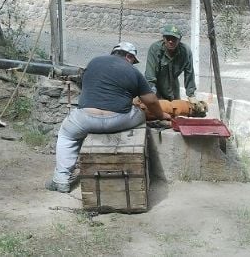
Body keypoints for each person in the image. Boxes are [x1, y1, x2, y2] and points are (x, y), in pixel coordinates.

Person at [47, 41, 170, 193]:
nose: (133, 63)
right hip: (118, 121)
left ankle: (61, 180)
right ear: (129, 56)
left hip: (86, 119)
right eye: (133, 60)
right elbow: (150, 100)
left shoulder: (93, 62)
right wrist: (161, 115)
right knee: (140, 112)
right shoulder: (133, 72)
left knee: (66, 135)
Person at [144, 25, 197, 104]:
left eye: (174, 39)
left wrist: (191, 95)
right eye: (168, 38)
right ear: (163, 38)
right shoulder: (155, 49)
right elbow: (150, 75)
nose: (171, 41)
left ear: (179, 40)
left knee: (176, 111)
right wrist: (152, 95)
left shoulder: (185, 52)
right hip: (156, 87)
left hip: (173, 89)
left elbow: (189, 74)